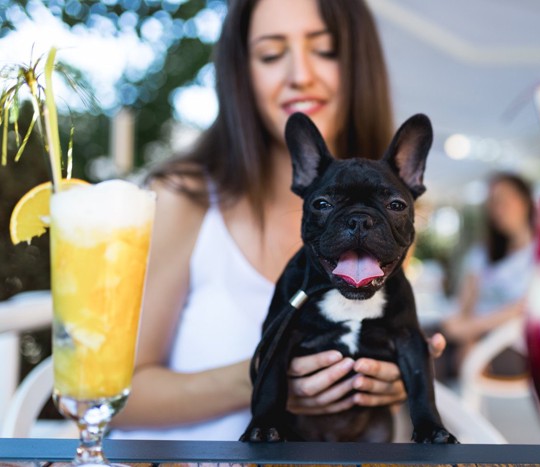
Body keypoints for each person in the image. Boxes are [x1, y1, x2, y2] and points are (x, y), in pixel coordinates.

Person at [112, 0, 444, 440]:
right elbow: (107, 396)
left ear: (359, 64)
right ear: (241, 73)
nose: (300, 74)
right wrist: (271, 370)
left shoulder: (383, 214)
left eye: (324, 50)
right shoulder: (181, 196)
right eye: (271, 54)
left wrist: (395, 376)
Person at [441, 172, 536, 376]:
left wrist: (468, 329)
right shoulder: (482, 254)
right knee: (415, 349)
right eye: (492, 203)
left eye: (503, 200)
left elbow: (524, 309)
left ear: (525, 201)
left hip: (511, 344)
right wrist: (468, 339)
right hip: (472, 335)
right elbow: (464, 304)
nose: (497, 209)